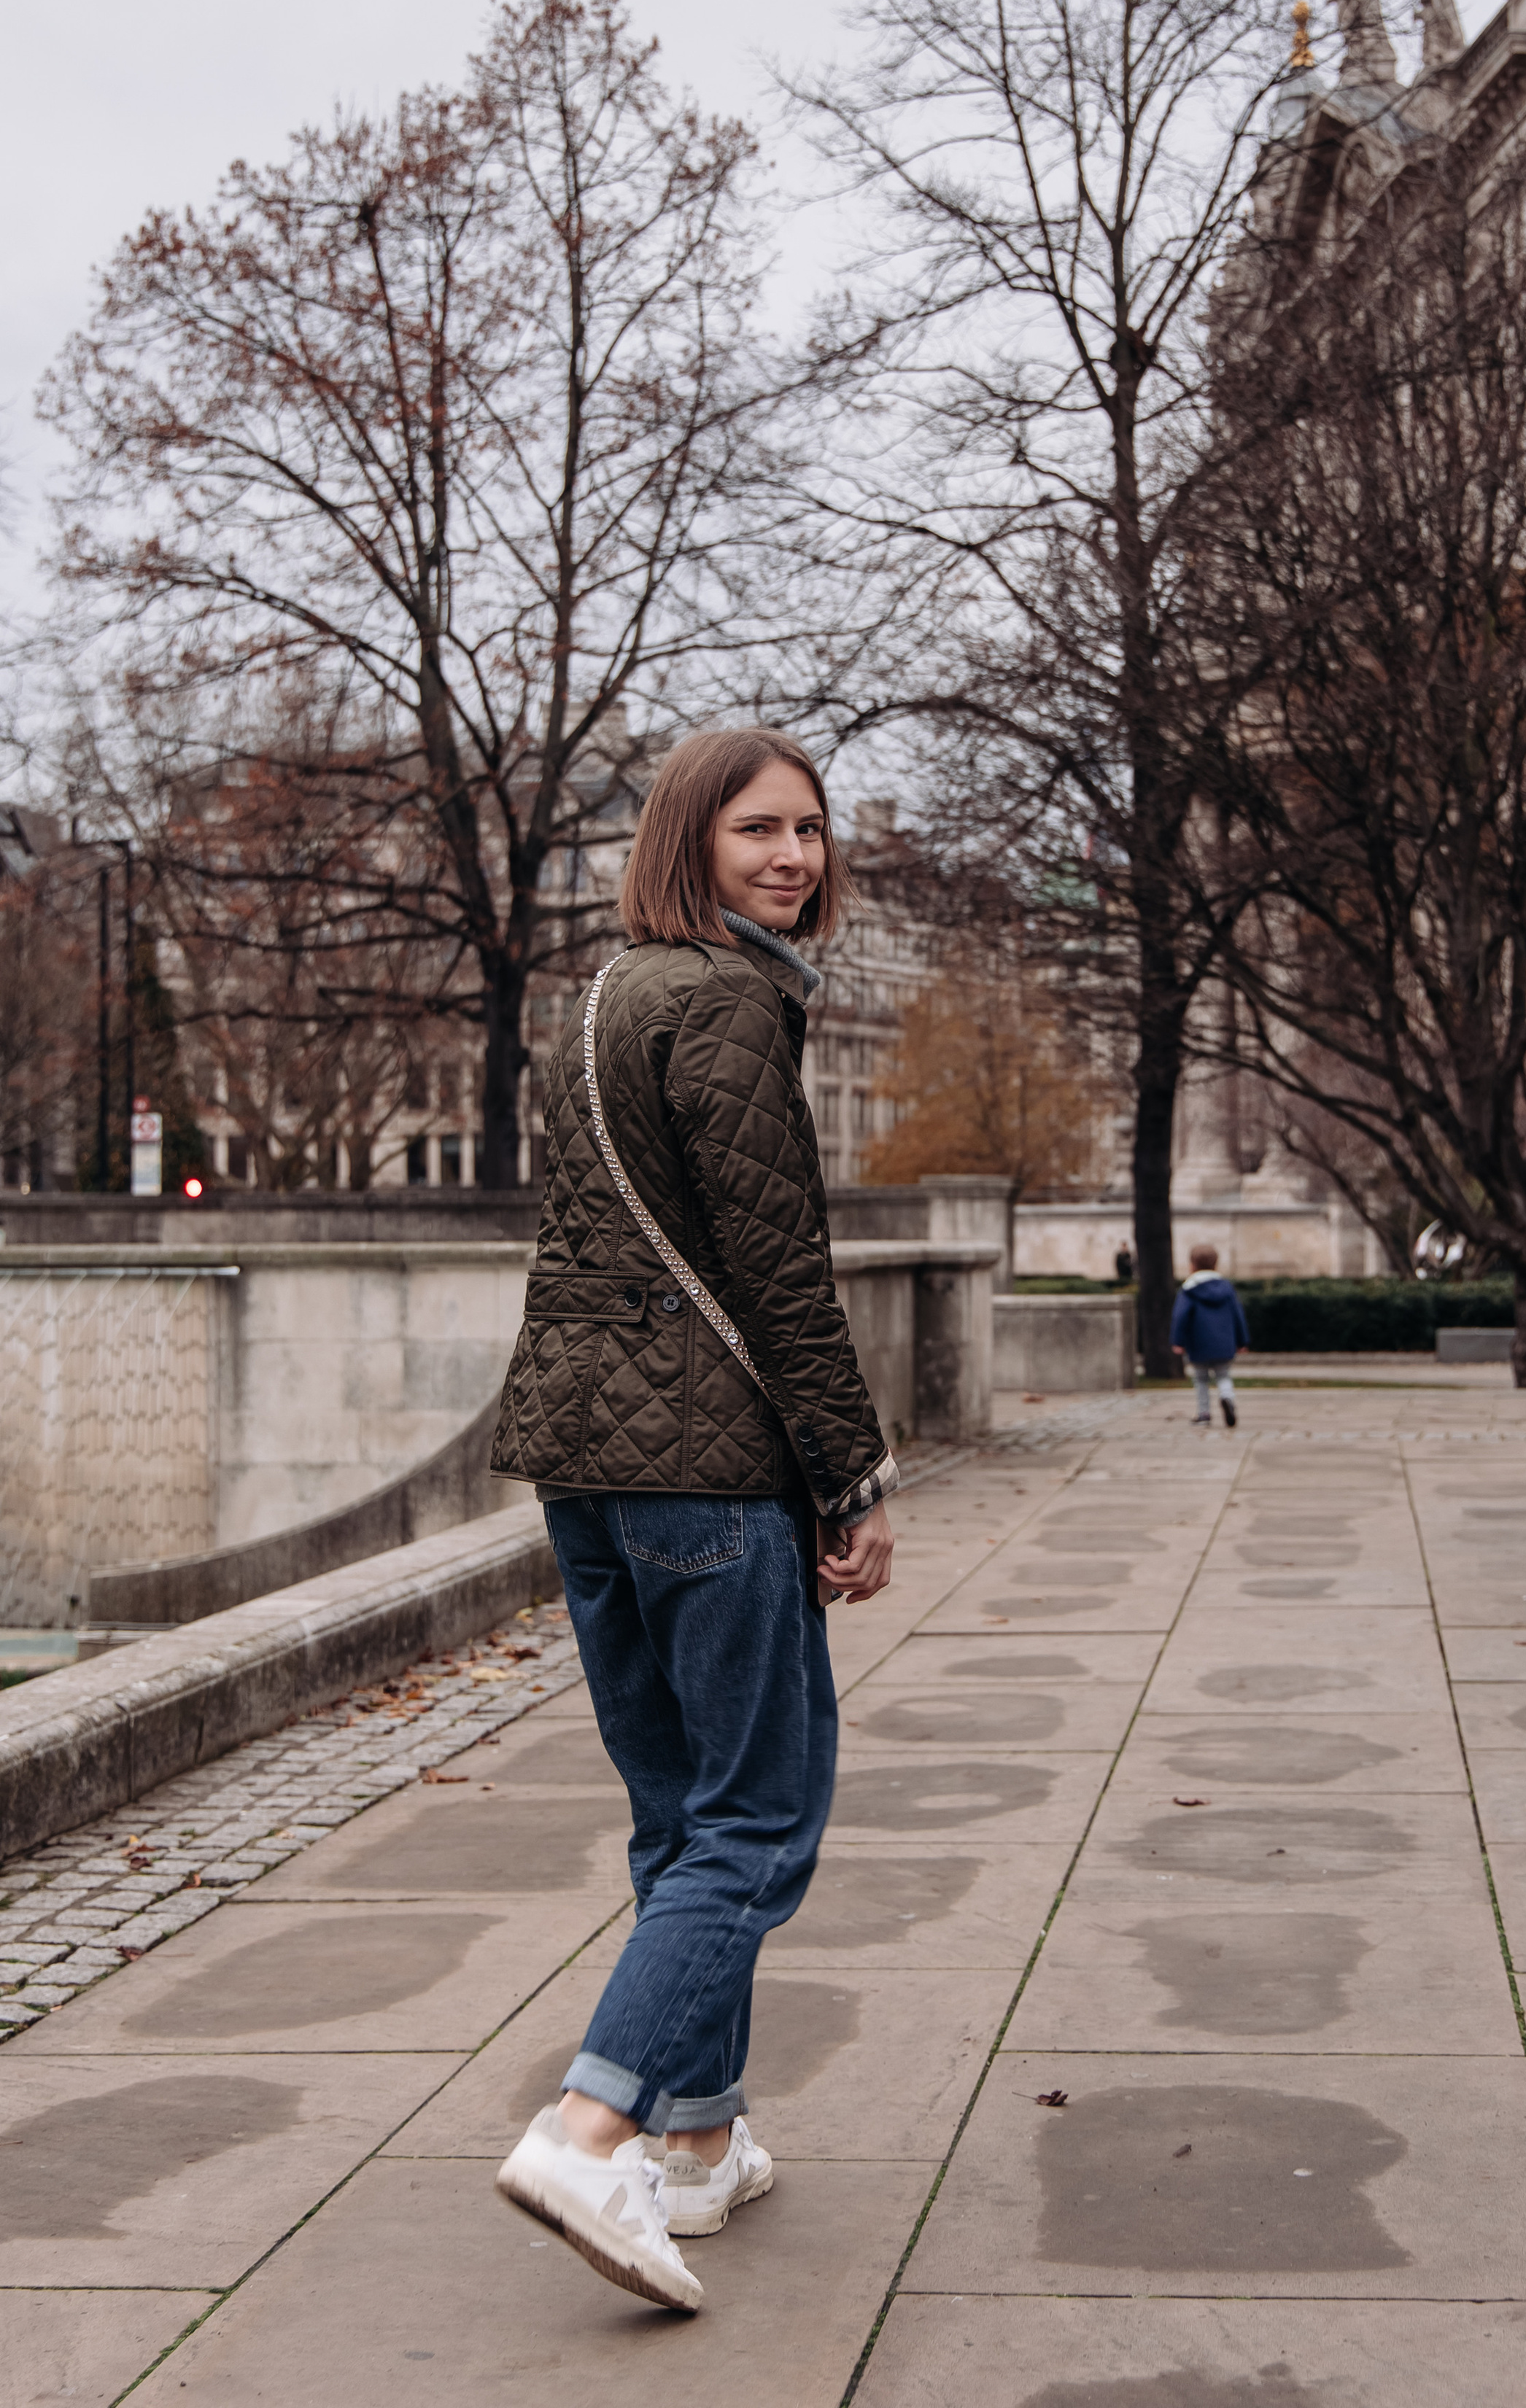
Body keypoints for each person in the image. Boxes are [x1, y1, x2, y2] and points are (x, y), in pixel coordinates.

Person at [488, 728, 898, 2315]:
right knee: (755, 1820)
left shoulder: (603, 992)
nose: (793, 858)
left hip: (587, 1464)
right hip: (708, 1478)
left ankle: (701, 2138)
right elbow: (777, 1272)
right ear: (689, 843)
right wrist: (850, 1479)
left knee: (679, 1819)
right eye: (757, 833)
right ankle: (591, 2134)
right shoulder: (728, 1001)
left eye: (809, 830)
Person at [1170, 1244, 1251, 1429]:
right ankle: (1227, 1398)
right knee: (1223, 1375)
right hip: (1224, 1342)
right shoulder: (1227, 1288)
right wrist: (1242, 1340)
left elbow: (1180, 1316)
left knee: (1201, 1379)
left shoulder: (1189, 1289)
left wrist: (1178, 1341)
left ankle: (1204, 1414)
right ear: (1216, 1264)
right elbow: (1238, 1315)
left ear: (1192, 1265)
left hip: (1198, 1342)